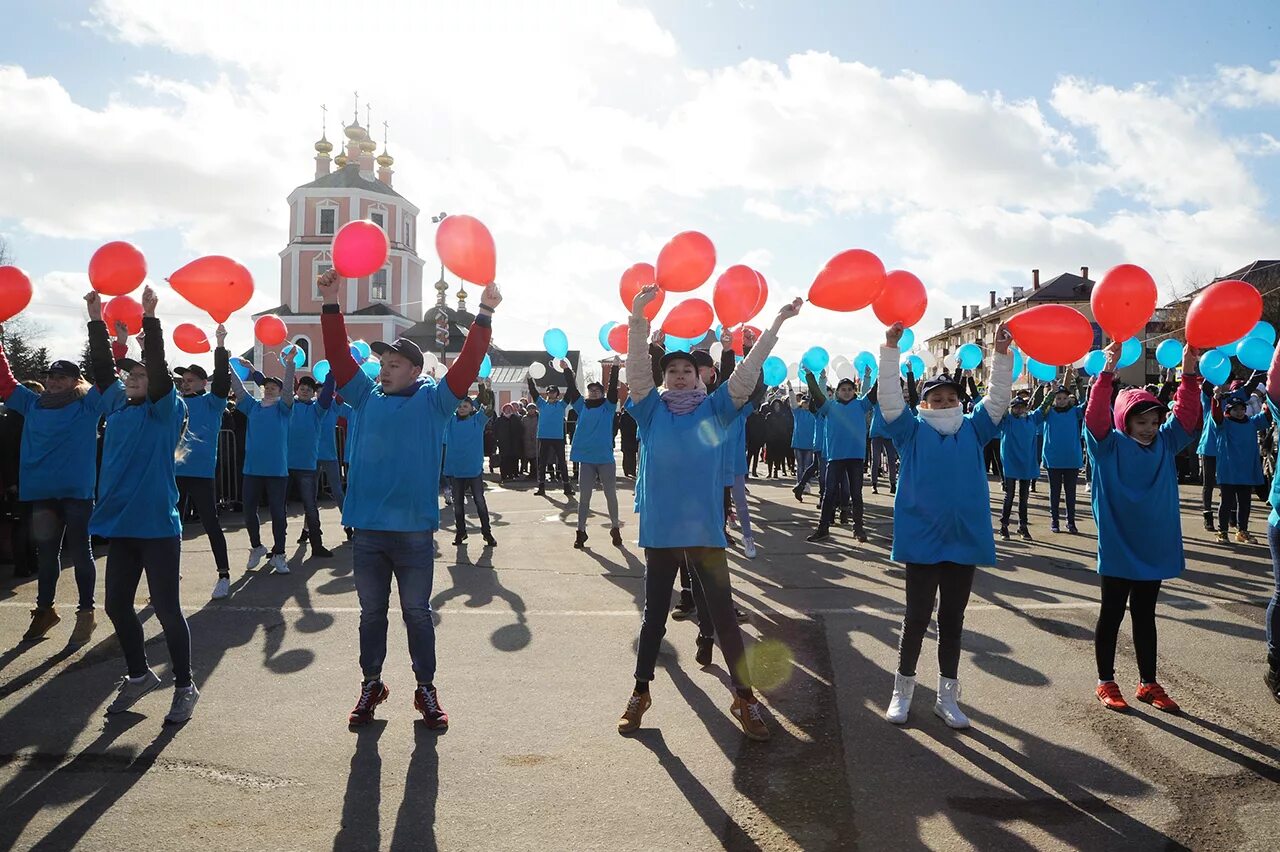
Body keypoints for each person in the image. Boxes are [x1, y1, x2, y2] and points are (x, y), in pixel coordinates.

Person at [616, 283, 801, 742]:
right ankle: (640, 692)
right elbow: (637, 369)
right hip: (660, 531)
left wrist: (775, 325)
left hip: (704, 531)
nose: (679, 375)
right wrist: (638, 319)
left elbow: (747, 374)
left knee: (721, 615)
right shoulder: (650, 412)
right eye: (672, 370)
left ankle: (745, 697)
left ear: (699, 377)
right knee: (654, 616)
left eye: (686, 370)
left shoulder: (717, 411)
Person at [318, 269, 497, 730]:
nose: (386, 368)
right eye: (384, 362)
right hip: (370, 532)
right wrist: (332, 302)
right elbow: (338, 356)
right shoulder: (364, 396)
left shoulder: (435, 402)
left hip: (414, 532)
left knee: (417, 613)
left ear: (416, 371)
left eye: (395, 363)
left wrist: (485, 313)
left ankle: (426, 690)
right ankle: (371, 684)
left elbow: (468, 363)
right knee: (371, 614)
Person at [878, 322, 1013, 729]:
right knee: (917, 617)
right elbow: (888, 400)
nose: (945, 401)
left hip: (963, 539)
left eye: (951, 396)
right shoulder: (911, 431)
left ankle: (947, 698)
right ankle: (902, 693)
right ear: (924, 403)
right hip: (922, 539)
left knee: (952, 621)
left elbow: (998, 398)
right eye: (936, 398)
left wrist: (1002, 356)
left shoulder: (974, 429)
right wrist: (889, 350)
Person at [86, 287, 199, 723]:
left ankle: (185, 685)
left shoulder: (163, 412)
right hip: (123, 526)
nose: (131, 378)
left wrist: (150, 319)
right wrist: (96, 318)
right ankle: (138, 675)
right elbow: (101, 368)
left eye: (139, 374)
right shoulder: (116, 407)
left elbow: (158, 368)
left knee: (167, 609)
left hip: (157, 526)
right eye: (128, 374)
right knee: (116, 605)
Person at [0, 298, 124, 645]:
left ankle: (86, 613)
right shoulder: (31, 402)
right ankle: (45, 611)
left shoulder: (88, 405)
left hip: (76, 493)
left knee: (81, 552)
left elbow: (107, 377)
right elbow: (5, 380)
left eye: (61, 377)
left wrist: (113, 338)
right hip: (42, 492)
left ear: (74, 381)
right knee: (47, 554)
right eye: (50, 376)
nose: (53, 381)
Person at [1088, 340, 1201, 714]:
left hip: (1152, 546)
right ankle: (1106, 681)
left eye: (1154, 421)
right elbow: (1096, 418)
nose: (1150, 428)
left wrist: (1188, 372)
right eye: (1141, 421)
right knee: (1112, 613)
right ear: (1125, 421)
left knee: (1145, 615)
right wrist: (1107, 373)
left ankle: (1148, 683)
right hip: (1120, 546)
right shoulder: (1107, 446)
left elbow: (1186, 417)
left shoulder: (1166, 443)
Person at [173, 332, 232, 599]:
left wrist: (219, 346)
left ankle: (223, 575)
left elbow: (222, 380)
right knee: (171, 525)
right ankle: (170, 571)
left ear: (203, 383)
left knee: (210, 523)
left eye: (190, 380)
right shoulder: (175, 403)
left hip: (201, 474)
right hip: (174, 473)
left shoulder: (213, 403)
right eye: (182, 381)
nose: (184, 384)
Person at [228, 355, 296, 575]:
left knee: (278, 513)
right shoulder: (253, 406)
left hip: (277, 470)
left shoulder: (283, 409)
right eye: (267, 386)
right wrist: (228, 366)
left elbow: (288, 391)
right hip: (252, 470)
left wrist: (290, 364)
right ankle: (257, 547)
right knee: (248, 511)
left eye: (274, 387)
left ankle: (279, 554)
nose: (270, 389)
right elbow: (238, 389)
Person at [805, 370, 875, 544]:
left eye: (850, 389)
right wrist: (810, 377)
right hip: (835, 458)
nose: (846, 392)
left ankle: (858, 528)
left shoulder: (861, 405)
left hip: (856, 458)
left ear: (854, 391)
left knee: (856, 494)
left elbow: (875, 390)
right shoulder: (829, 406)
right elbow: (816, 393)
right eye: (843, 389)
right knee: (828, 494)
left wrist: (884, 370)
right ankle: (823, 529)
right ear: (837, 392)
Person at [563, 361, 623, 549]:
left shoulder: (608, 407)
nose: (594, 391)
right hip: (587, 460)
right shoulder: (582, 407)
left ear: (602, 393)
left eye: (597, 389)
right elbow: (572, 390)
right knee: (584, 498)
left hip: (605, 459)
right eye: (591, 390)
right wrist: (566, 371)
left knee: (610, 495)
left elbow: (613, 389)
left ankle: (615, 527)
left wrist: (614, 368)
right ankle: (581, 532)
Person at [1212, 388, 1270, 544]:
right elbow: (1216, 415)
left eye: (1242, 409)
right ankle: (1222, 531)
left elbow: (1268, 415)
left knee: (1245, 503)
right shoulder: (1224, 423)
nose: (1239, 412)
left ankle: (1242, 531)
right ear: (1228, 410)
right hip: (1229, 471)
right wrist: (1216, 399)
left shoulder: (1251, 422)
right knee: (1226, 503)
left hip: (1246, 471)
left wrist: (1271, 395)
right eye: (1235, 409)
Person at [287, 372, 333, 558]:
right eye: (302, 388)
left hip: (307, 466)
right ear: (297, 390)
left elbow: (328, 392)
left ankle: (317, 545)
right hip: (285, 465)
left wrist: (332, 373)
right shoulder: (287, 406)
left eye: (309, 389)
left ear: (314, 393)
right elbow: (273, 387)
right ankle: (278, 547)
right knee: (279, 508)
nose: (305, 391)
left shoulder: (317, 409)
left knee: (311, 507)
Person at [443, 392, 498, 548]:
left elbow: (490, 407)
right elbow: (443, 407)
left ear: (471, 407)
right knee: (458, 504)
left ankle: (487, 533)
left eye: (465, 406)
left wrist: (485, 388)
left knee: (479, 502)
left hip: (473, 469)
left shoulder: (478, 420)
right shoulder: (451, 420)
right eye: (459, 406)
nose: (461, 408)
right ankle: (461, 532)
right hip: (456, 469)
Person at [1039, 373, 1087, 533]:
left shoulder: (1075, 412)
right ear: (1054, 400)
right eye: (1058, 398)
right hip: (1053, 460)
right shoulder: (1048, 413)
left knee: (1071, 493)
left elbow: (1088, 403)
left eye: (1064, 398)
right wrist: (1051, 393)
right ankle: (1055, 521)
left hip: (1071, 460)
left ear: (1069, 399)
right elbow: (1041, 410)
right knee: (1055, 493)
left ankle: (1070, 521)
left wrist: (1080, 383)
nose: (1061, 401)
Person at [315, 374, 353, 537]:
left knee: (337, 490)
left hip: (329, 455)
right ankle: (308, 528)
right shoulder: (311, 407)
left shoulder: (333, 407)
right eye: (318, 391)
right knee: (311, 494)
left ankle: (348, 522)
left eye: (323, 391)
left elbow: (340, 396)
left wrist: (339, 373)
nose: (320, 393)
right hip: (312, 456)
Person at [527, 374, 573, 498]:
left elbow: (570, 391)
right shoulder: (541, 404)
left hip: (558, 437)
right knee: (542, 462)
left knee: (562, 463)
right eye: (549, 392)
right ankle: (541, 487)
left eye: (553, 392)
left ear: (557, 394)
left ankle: (567, 486)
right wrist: (530, 379)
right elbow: (533, 392)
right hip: (543, 436)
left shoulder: (562, 405)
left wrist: (571, 378)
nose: (550, 394)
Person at [787, 384, 818, 495]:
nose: (806, 404)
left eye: (808, 403)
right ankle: (799, 484)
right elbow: (792, 401)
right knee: (800, 466)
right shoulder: (797, 412)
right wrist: (790, 388)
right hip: (798, 443)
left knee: (807, 466)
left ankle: (806, 485)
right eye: (804, 402)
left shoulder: (814, 414)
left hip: (810, 445)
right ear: (801, 403)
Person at [494, 402, 523, 482]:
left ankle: (511, 474)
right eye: (506, 409)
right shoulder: (499, 419)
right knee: (504, 459)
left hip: (514, 443)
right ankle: (503, 475)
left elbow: (520, 430)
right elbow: (495, 430)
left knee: (513, 459)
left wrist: (518, 439)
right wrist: (497, 439)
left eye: (510, 409)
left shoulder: (515, 418)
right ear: (503, 410)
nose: (508, 410)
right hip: (503, 443)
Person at [618, 407, 639, 478]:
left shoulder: (623, 416)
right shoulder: (634, 416)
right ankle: (632, 471)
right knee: (632, 456)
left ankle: (626, 470)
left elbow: (620, 426)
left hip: (625, 438)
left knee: (626, 455)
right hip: (632, 438)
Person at [521, 404, 539, 480]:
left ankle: (535, 474)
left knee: (536, 458)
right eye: (529, 409)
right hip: (527, 440)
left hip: (536, 440)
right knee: (529, 458)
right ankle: (531, 474)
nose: (531, 410)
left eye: (533, 409)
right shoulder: (524, 418)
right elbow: (522, 428)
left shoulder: (538, 418)